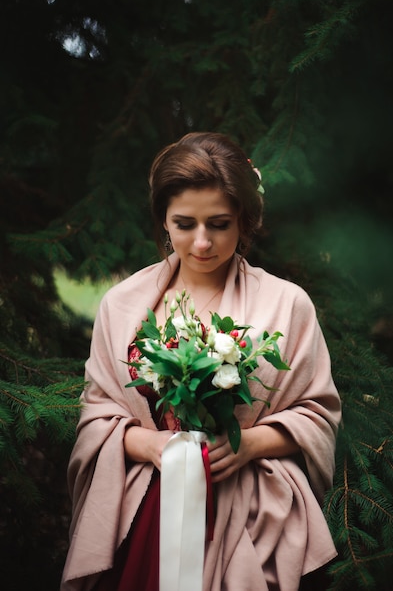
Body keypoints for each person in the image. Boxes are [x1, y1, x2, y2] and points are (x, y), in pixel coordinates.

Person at [61, 132, 342, 591]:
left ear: (245, 222)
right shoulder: (123, 305)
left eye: (219, 224)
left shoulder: (288, 305)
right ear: (163, 220)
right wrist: (149, 446)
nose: (202, 242)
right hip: (149, 506)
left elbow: (317, 414)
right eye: (184, 224)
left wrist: (249, 444)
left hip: (250, 510)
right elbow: (97, 416)